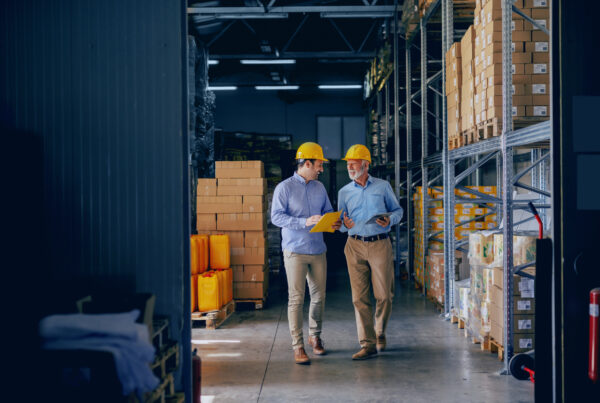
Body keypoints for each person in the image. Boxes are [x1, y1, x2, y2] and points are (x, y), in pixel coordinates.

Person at [271, 142, 341, 365]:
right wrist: (304, 221)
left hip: (318, 249)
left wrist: (333, 223)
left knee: (319, 297)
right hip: (295, 250)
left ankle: (315, 336)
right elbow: (276, 217)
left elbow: (328, 212)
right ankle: (298, 345)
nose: (321, 169)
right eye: (319, 165)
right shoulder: (284, 188)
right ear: (307, 163)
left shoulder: (319, 188)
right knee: (296, 298)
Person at [337, 144, 403, 360]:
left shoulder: (383, 187)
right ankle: (367, 343)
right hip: (354, 245)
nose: (349, 166)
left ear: (365, 165)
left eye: (353, 163)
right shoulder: (344, 192)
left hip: (379, 244)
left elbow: (398, 210)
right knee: (359, 297)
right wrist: (344, 224)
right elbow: (341, 223)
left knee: (384, 295)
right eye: (348, 163)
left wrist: (389, 220)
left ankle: (380, 330)